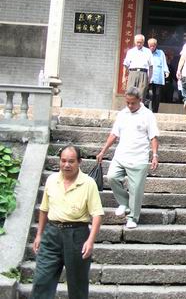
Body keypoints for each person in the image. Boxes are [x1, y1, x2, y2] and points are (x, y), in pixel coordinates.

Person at [31, 145, 103, 299]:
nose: (66, 165)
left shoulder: (88, 183)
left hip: (77, 235)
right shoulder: (52, 180)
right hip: (51, 234)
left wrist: (90, 241)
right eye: (63, 161)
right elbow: (44, 209)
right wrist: (39, 234)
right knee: (41, 281)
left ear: (79, 162)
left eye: (71, 161)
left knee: (77, 285)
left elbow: (97, 214)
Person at [96, 87, 159, 229]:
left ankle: (132, 218)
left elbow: (154, 137)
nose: (130, 106)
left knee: (136, 190)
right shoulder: (122, 114)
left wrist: (155, 155)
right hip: (121, 155)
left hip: (139, 158)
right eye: (127, 103)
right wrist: (103, 151)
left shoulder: (148, 115)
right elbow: (114, 134)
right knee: (112, 177)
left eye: (133, 103)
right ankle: (124, 202)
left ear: (140, 100)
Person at [122, 34, 153, 101]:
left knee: (141, 94)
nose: (139, 44)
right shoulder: (130, 51)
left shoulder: (148, 51)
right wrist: (124, 77)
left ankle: (140, 107)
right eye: (137, 42)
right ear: (134, 42)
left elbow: (151, 66)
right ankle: (130, 107)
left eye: (140, 42)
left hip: (143, 74)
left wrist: (150, 78)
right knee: (130, 93)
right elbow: (125, 65)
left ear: (143, 42)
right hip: (132, 73)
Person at [147, 38, 169, 113]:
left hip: (158, 76)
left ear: (156, 45)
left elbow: (164, 62)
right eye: (150, 46)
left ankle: (155, 111)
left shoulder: (160, 53)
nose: (151, 47)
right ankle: (148, 110)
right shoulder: (146, 52)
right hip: (148, 76)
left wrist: (166, 71)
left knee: (157, 94)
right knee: (149, 94)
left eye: (153, 46)